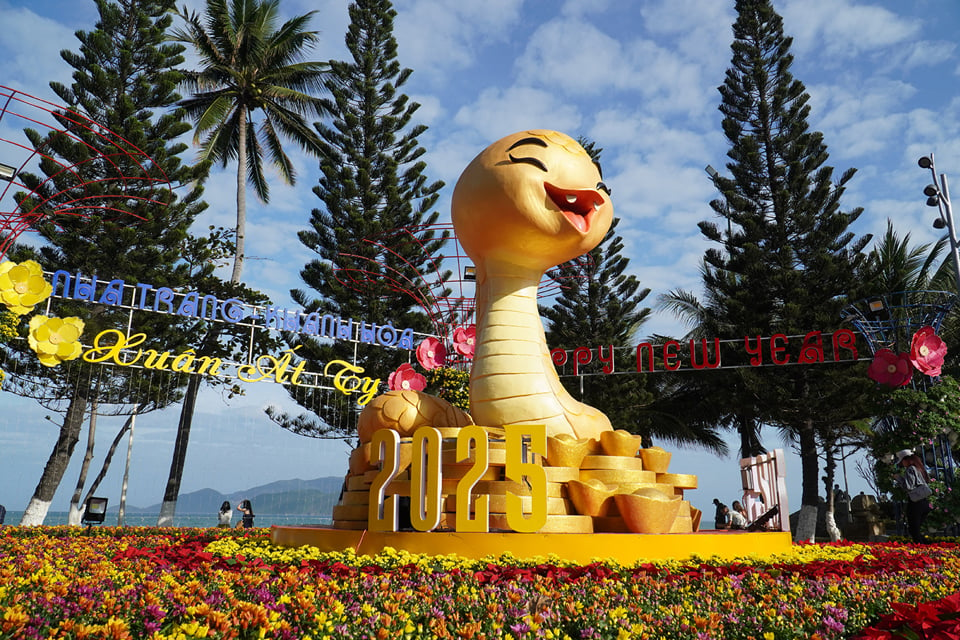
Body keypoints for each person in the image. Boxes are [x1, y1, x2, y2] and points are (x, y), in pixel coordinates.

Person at [894, 449, 932, 543]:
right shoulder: (920, 468)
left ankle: (922, 549)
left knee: (914, 530)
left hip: (916, 502)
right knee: (916, 529)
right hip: (924, 501)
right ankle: (927, 546)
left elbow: (909, 486)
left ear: (906, 460)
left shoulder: (910, 469)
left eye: (902, 461)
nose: (902, 464)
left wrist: (898, 478)